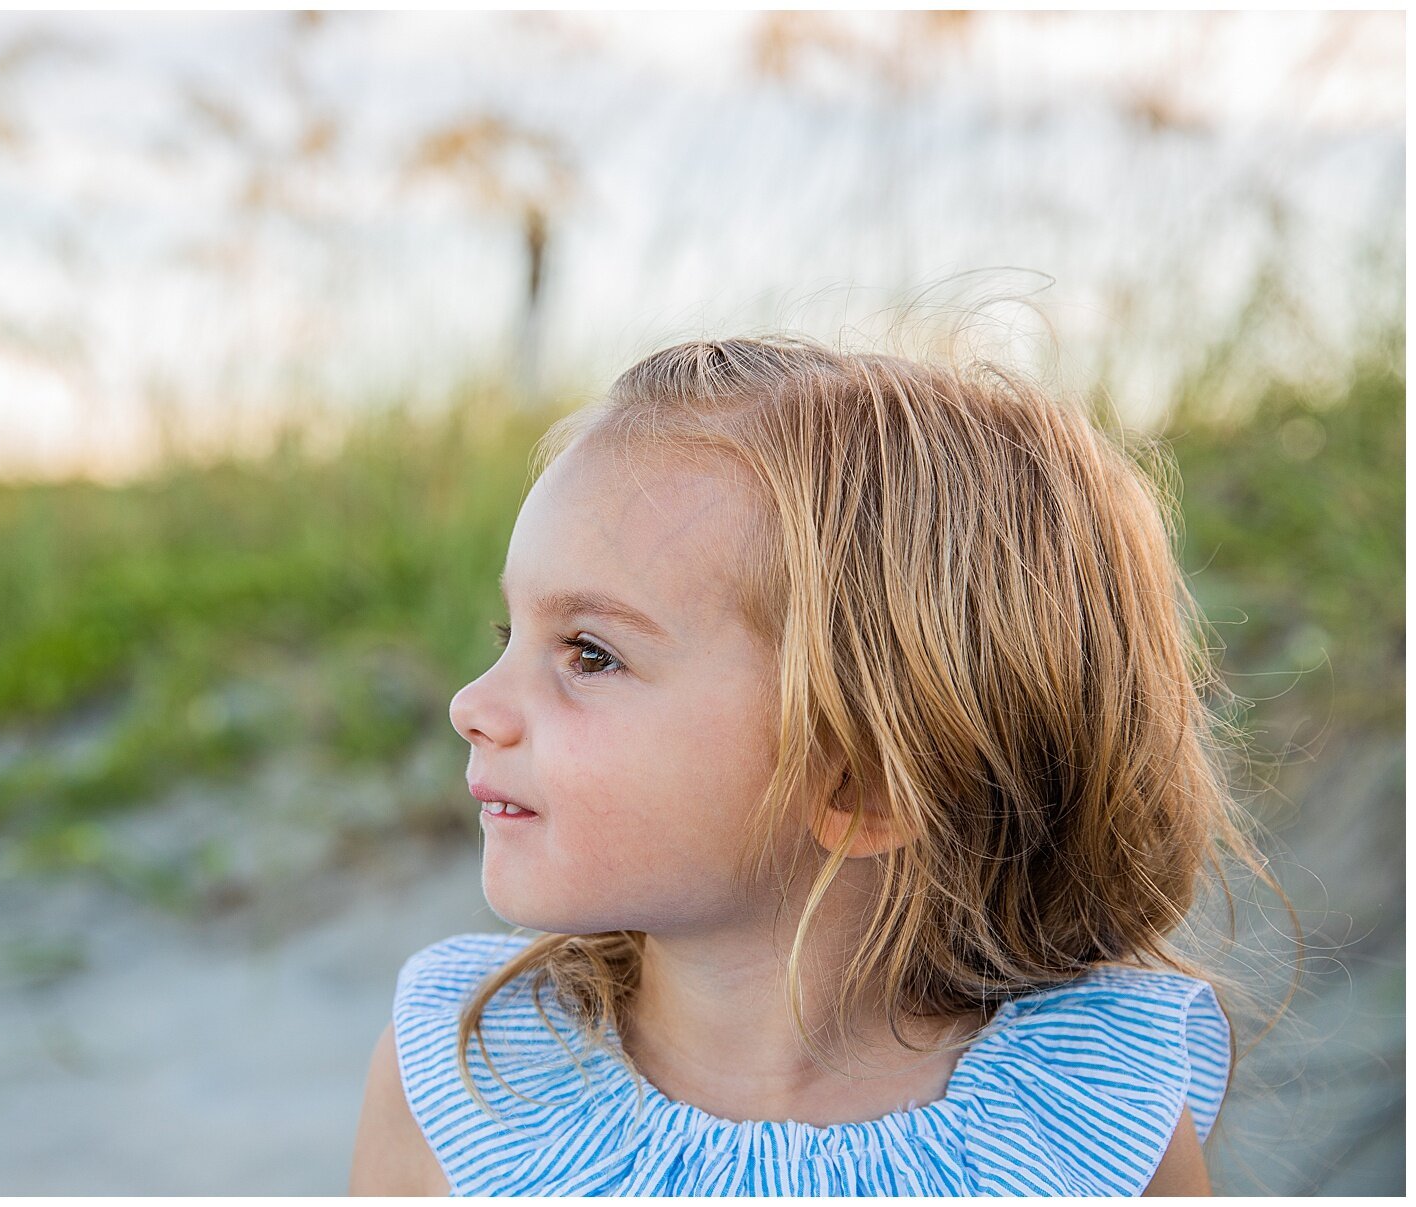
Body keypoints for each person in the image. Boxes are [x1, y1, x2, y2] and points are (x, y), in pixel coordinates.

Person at [349, 335, 1288, 1196]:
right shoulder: (467, 1077)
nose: (472, 705)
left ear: (863, 785)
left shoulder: (1094, 1121)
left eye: (590, 653)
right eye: (510, 633)